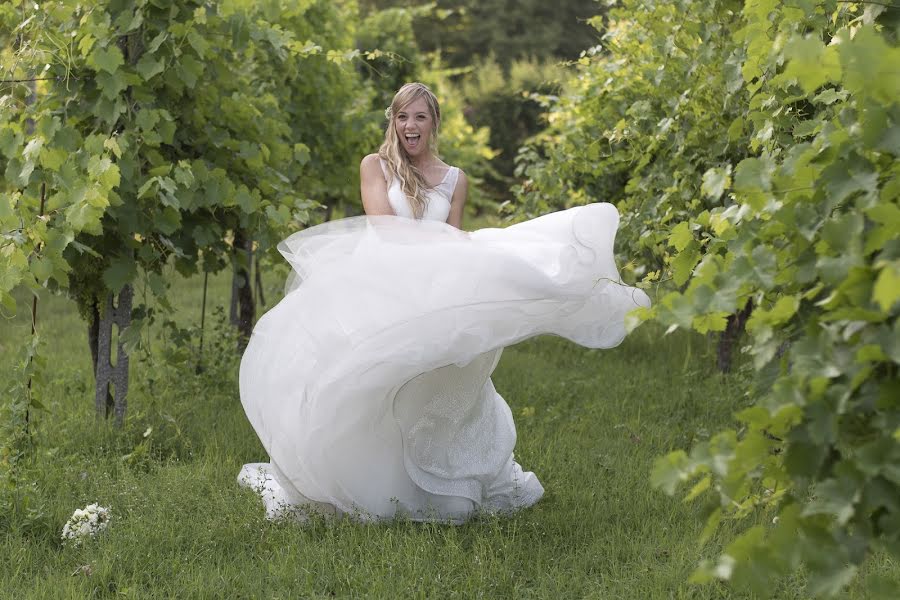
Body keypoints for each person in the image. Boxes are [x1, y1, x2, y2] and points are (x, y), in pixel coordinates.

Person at [237, 83, 650, 523]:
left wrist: (485, 267)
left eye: (419, 117)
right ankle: (366, 481)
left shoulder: (455, 179)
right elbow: (382, 226)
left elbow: (455, 241)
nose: (409, 126)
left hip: (437, 290)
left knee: (443, 377)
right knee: (370, 381)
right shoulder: (376, 166)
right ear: (392, 122)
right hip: (385, 285)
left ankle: (439, 480)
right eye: (402, 117)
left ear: (433, 123)